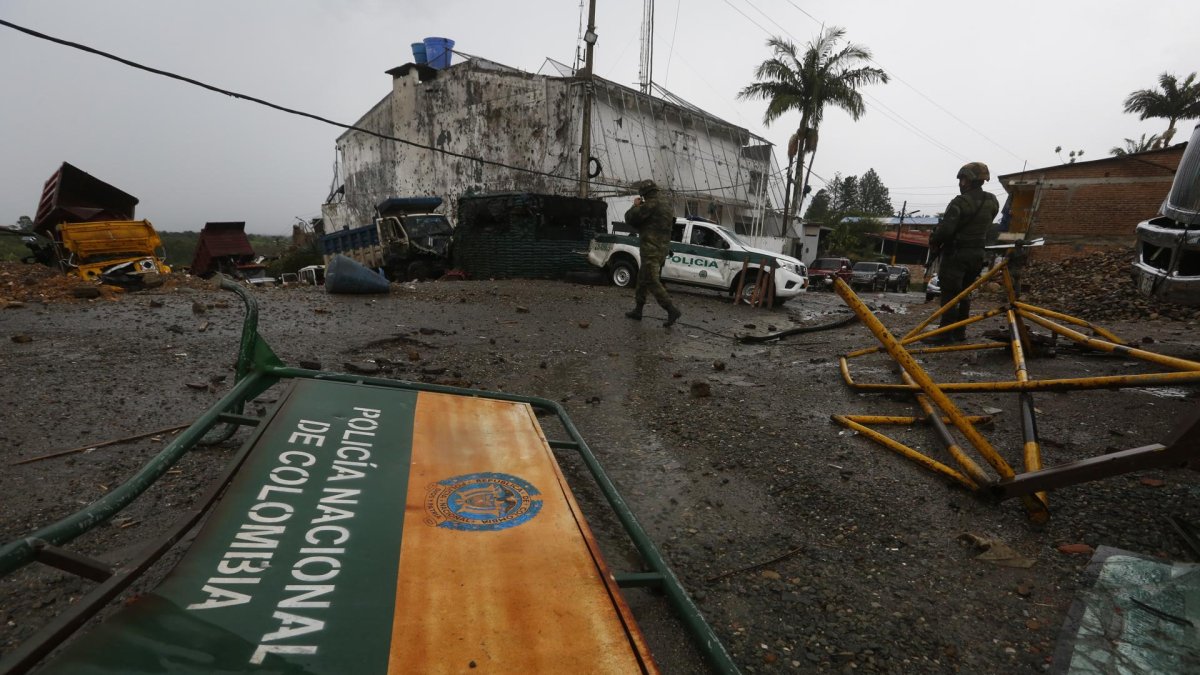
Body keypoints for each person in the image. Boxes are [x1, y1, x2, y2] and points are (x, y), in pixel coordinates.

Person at [927, 162, 999, 343]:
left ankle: (945, 334)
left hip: (957, 255)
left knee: (950, 294)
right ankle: (959, 332)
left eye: (962, 179)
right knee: (965, 294)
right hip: (977, 255)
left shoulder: (960, 203)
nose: (960, 183)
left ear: (967, 180)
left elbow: (946, 231)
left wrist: (934, 240)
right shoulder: (992, 201)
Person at [623, 179, 682, 327]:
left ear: (644, 194)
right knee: (642, 279)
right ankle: (638, 310)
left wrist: (635, 205)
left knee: (651, 280)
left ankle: (671, 309)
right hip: (662, 249)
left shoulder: (650, 204)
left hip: (651, 249)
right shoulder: (667, 205)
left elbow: (630, 218)